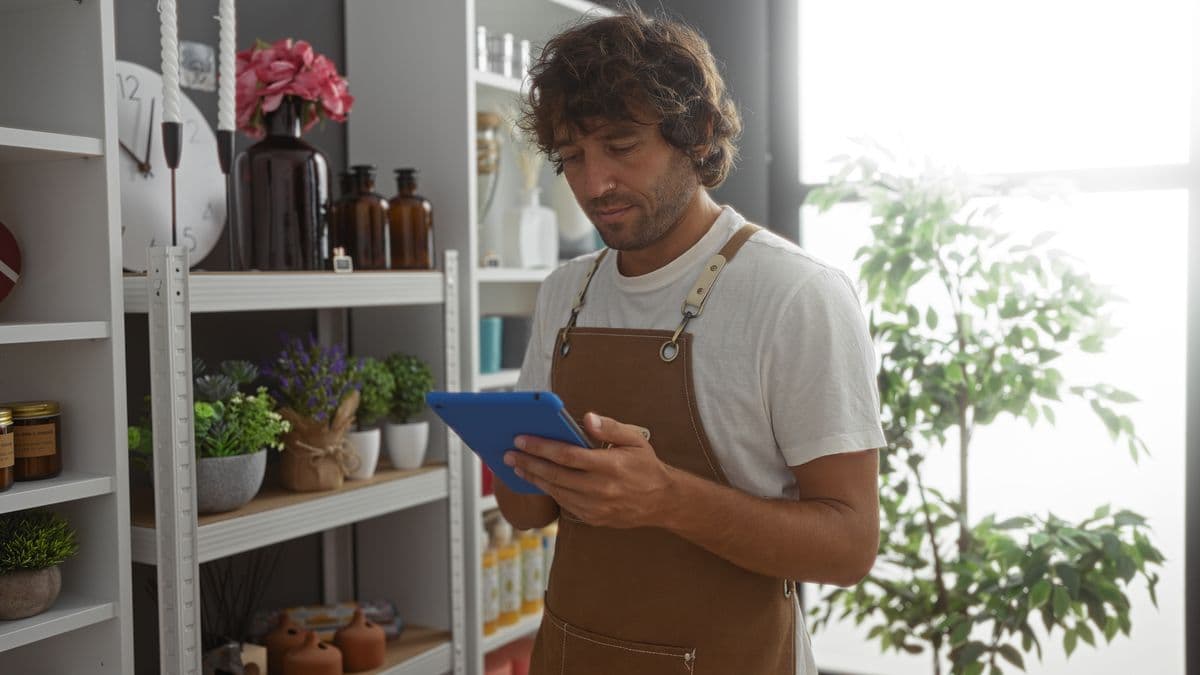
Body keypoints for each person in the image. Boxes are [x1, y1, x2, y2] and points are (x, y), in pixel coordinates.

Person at [496, 5, 885, 674]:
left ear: (696, 133)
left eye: (620, 146)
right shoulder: (566, 290)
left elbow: (849, 546)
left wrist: (667, 497)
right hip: (570, 654)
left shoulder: (795, 295)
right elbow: (527, 512)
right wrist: (519, 459)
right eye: (573, 157)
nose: (594, 185)